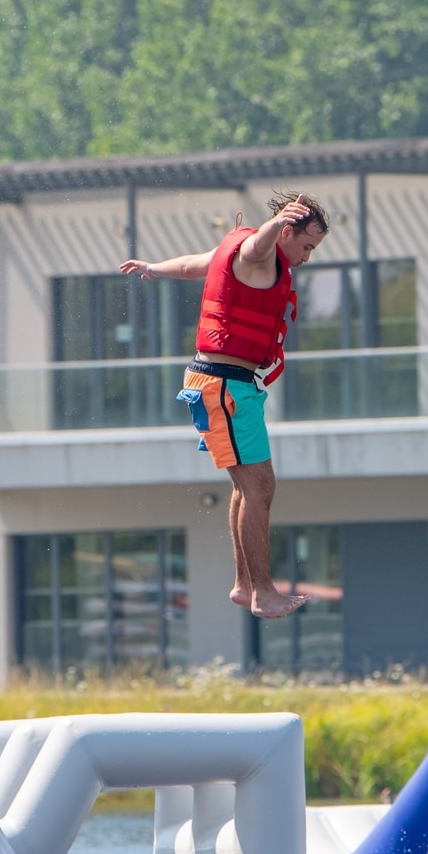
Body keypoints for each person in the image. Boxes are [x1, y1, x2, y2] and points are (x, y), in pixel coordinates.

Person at [119, 192, 330, 620]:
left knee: (248, 487)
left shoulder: (238, 256)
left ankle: (244, 584)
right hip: (224, 385)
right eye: (305, 246)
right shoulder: (256, 253)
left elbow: (193, 264)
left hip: (227, 384)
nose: (306, 258)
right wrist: (274, 225)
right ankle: (262, 592)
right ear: (286, 232)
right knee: (260, 487)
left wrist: (153, 268)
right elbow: (258, 244)